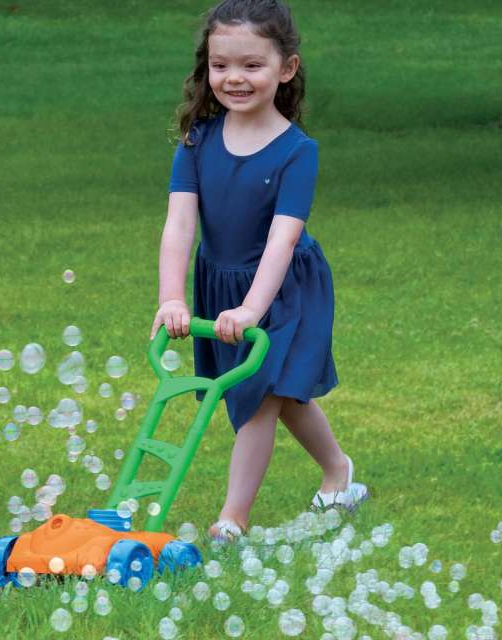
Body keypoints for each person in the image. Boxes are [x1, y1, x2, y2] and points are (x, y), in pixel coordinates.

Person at [150, 0, 368, 541]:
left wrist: (252, 308)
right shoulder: (197, 142)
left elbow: (282, 238)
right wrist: (172, 297)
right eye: (221, 65)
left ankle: (232, 519)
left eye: (252, 65)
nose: (234, 78)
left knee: (259, 400)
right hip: (221, 281)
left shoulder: (297, 152)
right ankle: (338, 470)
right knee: (285, 394)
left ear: (286, 69)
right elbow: (179, 225)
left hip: (284, 285)